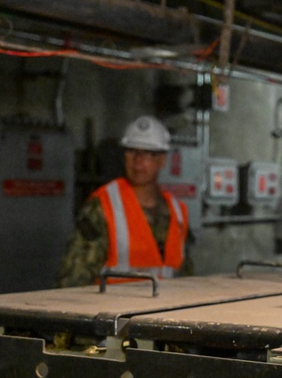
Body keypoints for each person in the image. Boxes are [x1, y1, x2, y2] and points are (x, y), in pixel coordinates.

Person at [56, 115, 192, 287]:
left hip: (162, 311)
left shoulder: (178, 211)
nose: (138, 161)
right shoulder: (103, 206)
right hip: (113, 311)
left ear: (162, 160)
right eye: (132, 151)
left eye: (148, 153)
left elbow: (187, 277)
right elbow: (72, 281)